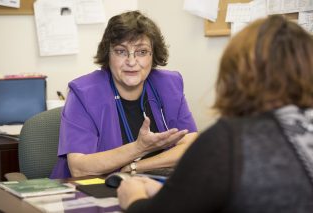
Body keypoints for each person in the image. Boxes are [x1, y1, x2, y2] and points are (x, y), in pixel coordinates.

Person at [117, 15, 313, 212]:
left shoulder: (228, 140)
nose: (132, 62)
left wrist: (133, 197)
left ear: (236, 74)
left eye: (142, 52)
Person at [50, 10, 198, 179]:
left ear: (153, 54)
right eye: (121, 51)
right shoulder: (84, 93)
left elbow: (191, 145)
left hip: (153, 187)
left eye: (142, 52)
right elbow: (79, 167)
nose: (131, 62)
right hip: (94, 191)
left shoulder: (169, 84)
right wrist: (138, 147)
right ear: (108, 54)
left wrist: (136, 167)